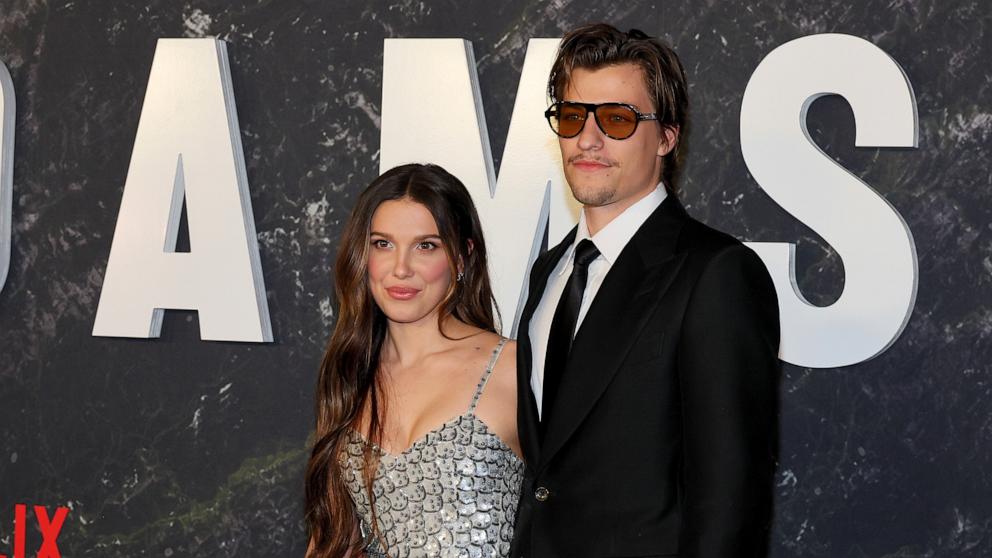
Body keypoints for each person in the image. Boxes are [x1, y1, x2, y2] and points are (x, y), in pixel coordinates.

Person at [510, 24, 781, 558]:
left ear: (666, 137)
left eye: (616, 119)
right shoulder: (549, 273)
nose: (588, 139)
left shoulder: (717, 274)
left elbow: (731, 503)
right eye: (572, 117)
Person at [305, 163, 523, 558]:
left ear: (462, 258)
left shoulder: (513, 368)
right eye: (382, 244)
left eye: (426, 245)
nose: (400, 268)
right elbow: (332, 543)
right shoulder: (351, 378)